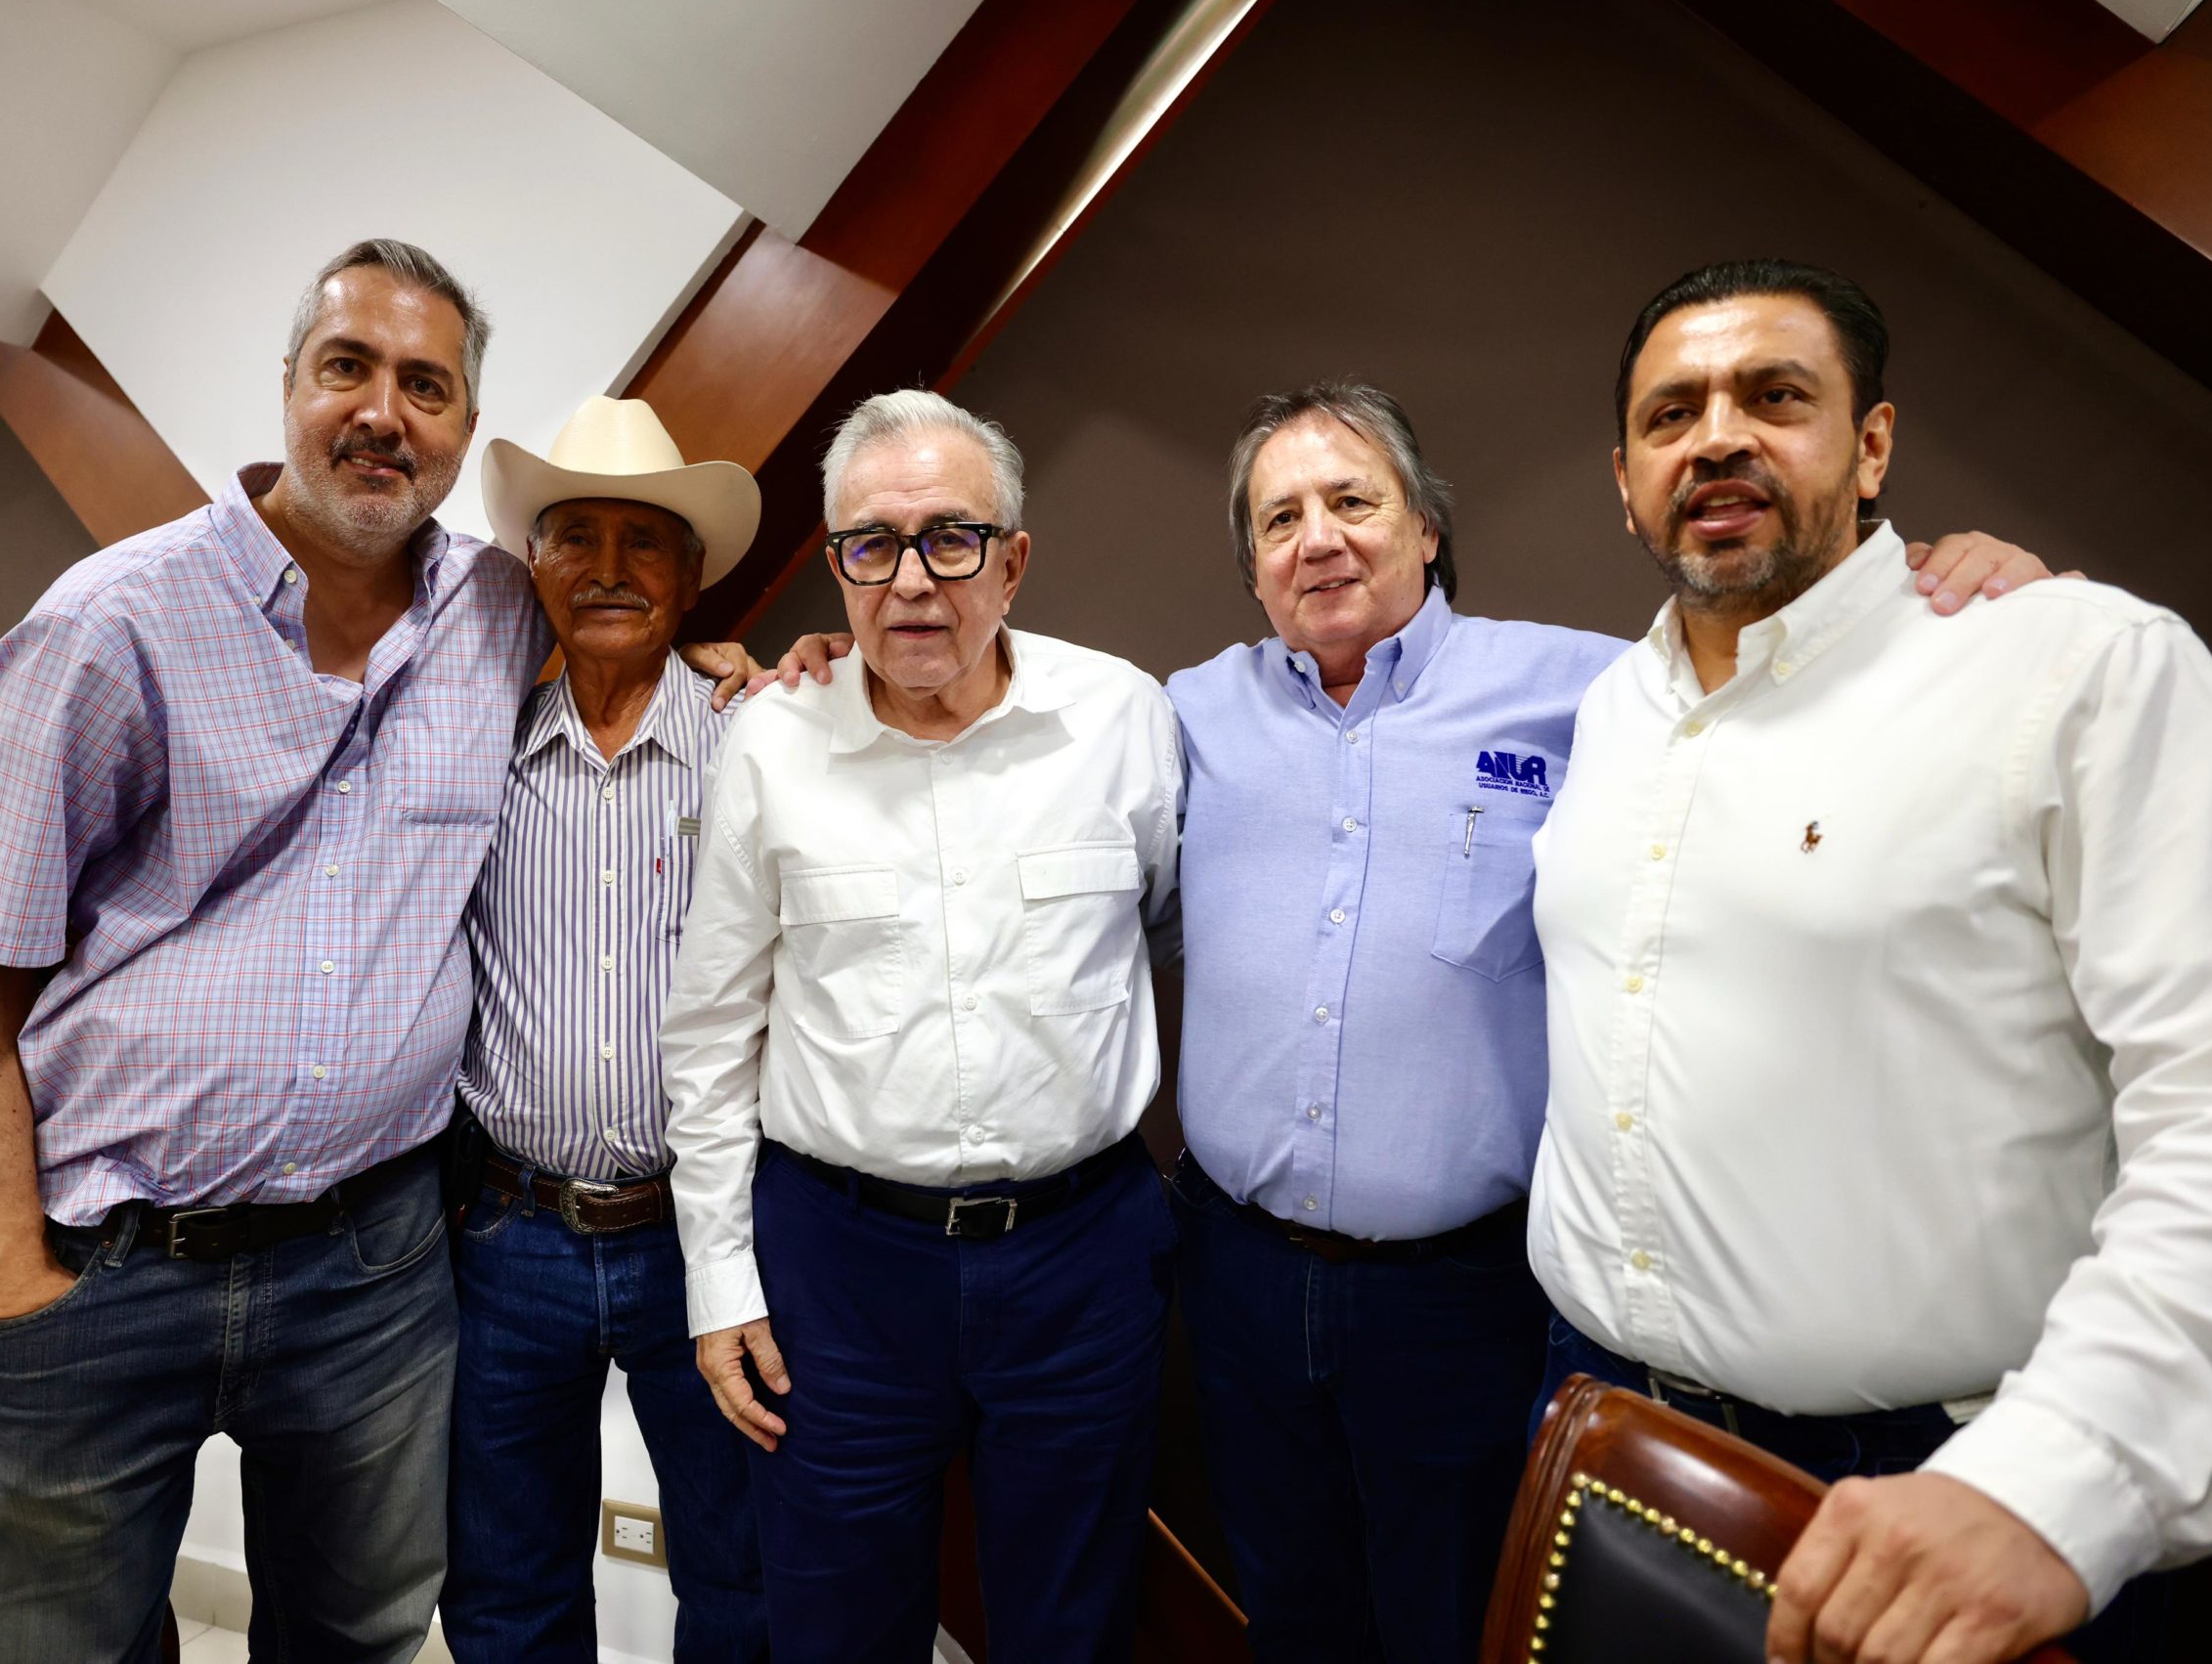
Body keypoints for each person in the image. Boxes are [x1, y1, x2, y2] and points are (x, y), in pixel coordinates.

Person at [766, 385, 2043, 1662]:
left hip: (1464, 1291)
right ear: (1253, 568)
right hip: (1236, 1275)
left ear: (1425, 526)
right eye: (1280, 518)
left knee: (1452, 1617)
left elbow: (1779, 701)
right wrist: (827, 666)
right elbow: (1027, 776)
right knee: (1292, 1611)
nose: (1317, 537)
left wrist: (1951, 602)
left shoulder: (1589, 690)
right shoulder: (1178, 716)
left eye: (1351, 501)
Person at [1531, 258, 2212, 1664]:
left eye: (1775, 396)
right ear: (1626, 482)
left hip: (1942, 1484)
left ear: (1872, 445)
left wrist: (2061, 1478)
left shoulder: (2074, 666)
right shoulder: (1611, 711)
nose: (1717, 437)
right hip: (1606, 1431)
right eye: (1671, 414)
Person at [0, 238, 549, 1661]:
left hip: (374, 1271)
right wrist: (1, 1261)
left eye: (426, 385)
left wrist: (742, 662)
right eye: (349, 367)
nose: (384, 412)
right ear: (288, 387)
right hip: (101, 1262)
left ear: (464, 423)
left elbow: (629, 659)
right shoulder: (110, 621)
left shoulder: (499, 615)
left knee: (361, 1636)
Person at [662, 389, 1183, 1663]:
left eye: (951, 538)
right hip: (839, 1273)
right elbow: (712, 1036)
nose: (910, 580)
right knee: (836, 1627)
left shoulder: (1122, 719)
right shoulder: (772, 740)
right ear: (837, 564)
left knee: (1074, 1624)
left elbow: (1168, 928)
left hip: (1082, 1260)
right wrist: (720, 1284)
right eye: (871, 544)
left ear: (1014, 559)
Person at [440, 396, 766, 1662]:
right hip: (506, 1235)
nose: (610, 568)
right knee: (506, 1582)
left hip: (709, 1235)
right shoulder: (471, 755)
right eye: (576, 535)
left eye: (645, 540)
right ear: (535, 564)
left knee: (742, 1573)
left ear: (692, 571)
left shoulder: (763, 744)